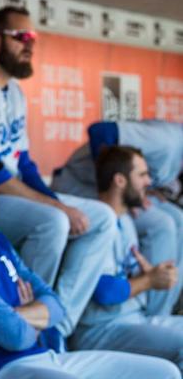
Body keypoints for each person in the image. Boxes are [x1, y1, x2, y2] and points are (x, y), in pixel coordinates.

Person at [0, 6, 116, 337]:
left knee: (100, 217)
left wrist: (57, 200)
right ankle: (22, 315)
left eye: (34, 38)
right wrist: (58, 209)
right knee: (52, 222)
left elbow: (23, 162)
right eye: (21, 37)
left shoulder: (12, 90)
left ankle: (58, 321)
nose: (30, 45)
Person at [0, 143, 180, 379]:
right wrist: (27, 316)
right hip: (3, 367)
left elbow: (56, 307)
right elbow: (15, 335)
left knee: (164, 373)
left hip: (45, 356)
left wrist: (10, 316)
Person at [70, 145, 183, 374]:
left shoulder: (127, 219)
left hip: (133, 319)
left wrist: (148, 273)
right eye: (141, 175)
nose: (148, 182)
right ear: (120, 181)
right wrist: (149, 281)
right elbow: (104, 291)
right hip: (99, 330)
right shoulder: (97, 223)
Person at [52, 119, 183, 315]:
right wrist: (115, 188)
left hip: (114, 189)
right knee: (162, 224)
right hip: (77, 187)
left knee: (177, 218)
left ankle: (160, 310)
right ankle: (154, 314)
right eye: (143, 177)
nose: (148, 180)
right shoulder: (167, 141)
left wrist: (135, 190)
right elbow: (100, 131)